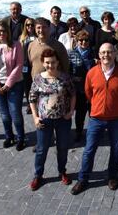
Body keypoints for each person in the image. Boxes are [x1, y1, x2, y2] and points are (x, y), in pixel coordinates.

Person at [71, 43, 118, 195]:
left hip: (117, 119)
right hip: (96, 118)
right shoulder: (92, 73)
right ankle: (83, 179)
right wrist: (98, 106)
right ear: (99, 55)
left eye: (109, 52)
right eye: (103, 52)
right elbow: (88, 93)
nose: (106, 55)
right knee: (89, 150)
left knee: (116, 149)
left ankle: (112, 176)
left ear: (114, 54)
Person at [29, 49, 76, 191]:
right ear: (43, 63)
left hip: (63, 119)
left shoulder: (65, 78)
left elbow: (73, 94)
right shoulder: (38, 79)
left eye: (53, 62)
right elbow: (32, 98)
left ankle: (62, 171)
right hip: (44, 120)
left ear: (57, 62)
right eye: (47, 62)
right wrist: (35, 117)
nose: (51, 65)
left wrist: (71, 111)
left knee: (62, 147)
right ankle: (38, 175)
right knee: (42, 149)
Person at [0, 21, 26, 150]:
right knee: (4, 114)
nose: (1, 33)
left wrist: (8, 84)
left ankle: (21, 138)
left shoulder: (16, 45)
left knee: (15, 113)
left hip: (15, 84)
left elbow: (19, 65)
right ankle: (9, 136)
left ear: (7, 32)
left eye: (3, 31)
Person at [68, 30, 96, 142]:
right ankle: (79, 132)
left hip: (93, 89)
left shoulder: (94, 53)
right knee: (80, 113)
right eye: (81, 40)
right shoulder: (71, 54)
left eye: (86, 40)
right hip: (78, 89)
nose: (84, 42)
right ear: (77, 41)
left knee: (93, 113)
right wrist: (73, 78)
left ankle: (94, 132)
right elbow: (66, 72)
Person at [19, 18, 36, 114]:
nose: (30, 27)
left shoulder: (38, 37)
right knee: (27, 85)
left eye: (32, 25)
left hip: (35, 64)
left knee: (36, 83)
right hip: (25, 65)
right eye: (28, 25)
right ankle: (30, 104)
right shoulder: (22, 38)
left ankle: (36, 103)